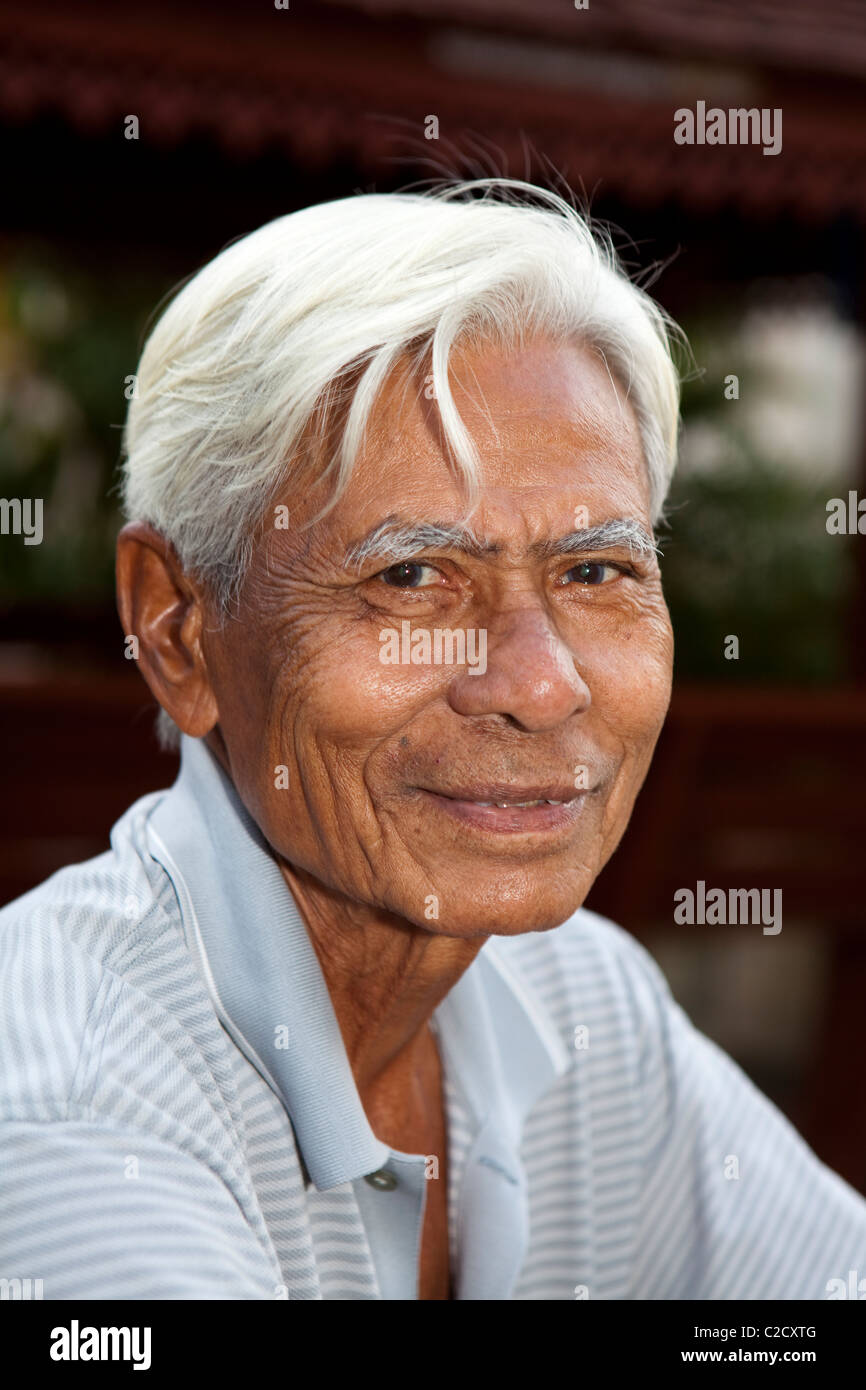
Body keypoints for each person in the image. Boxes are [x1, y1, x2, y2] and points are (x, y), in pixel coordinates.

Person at [1, 180, 863, 1300]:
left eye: (594, 570)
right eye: (410, 577)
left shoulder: (576, 1000)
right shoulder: (66, 1103)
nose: (541, 685)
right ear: (176, 628)